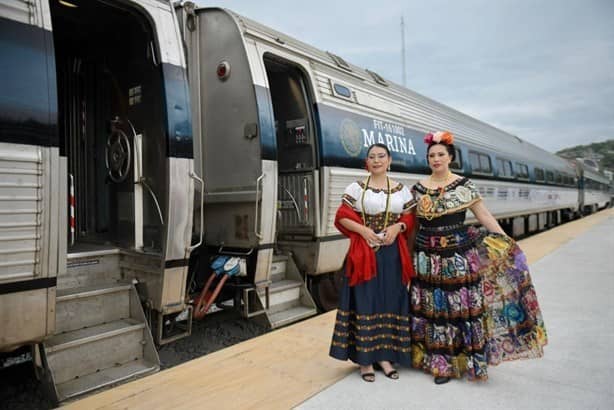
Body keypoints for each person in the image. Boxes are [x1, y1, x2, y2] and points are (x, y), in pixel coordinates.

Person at [409, 131, 547, 384]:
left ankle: (457, 362)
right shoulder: (418, 189)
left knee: (456, 308)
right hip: (426, 258)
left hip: (457, 256)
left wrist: (507, 241)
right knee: (433, 309)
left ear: (450, 157)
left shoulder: (464, 186)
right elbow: (412, 223)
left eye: (441, 154)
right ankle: (438, 362)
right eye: (431, 155)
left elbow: (483, 215)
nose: (436, 159)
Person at [329, 143, 417, 382]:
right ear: (366, 163)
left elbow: (410, 217)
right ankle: (365, 360)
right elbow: (342, 216)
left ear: (389, 160)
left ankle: (385, 357)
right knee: (365, 300)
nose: (376, 160)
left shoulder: (401, 190)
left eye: (381, 156)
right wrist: (364, 231)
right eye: (371, 157)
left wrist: (398, 227)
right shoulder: (357, 188)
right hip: (364, 252)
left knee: (389, 300)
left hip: (392, 254)